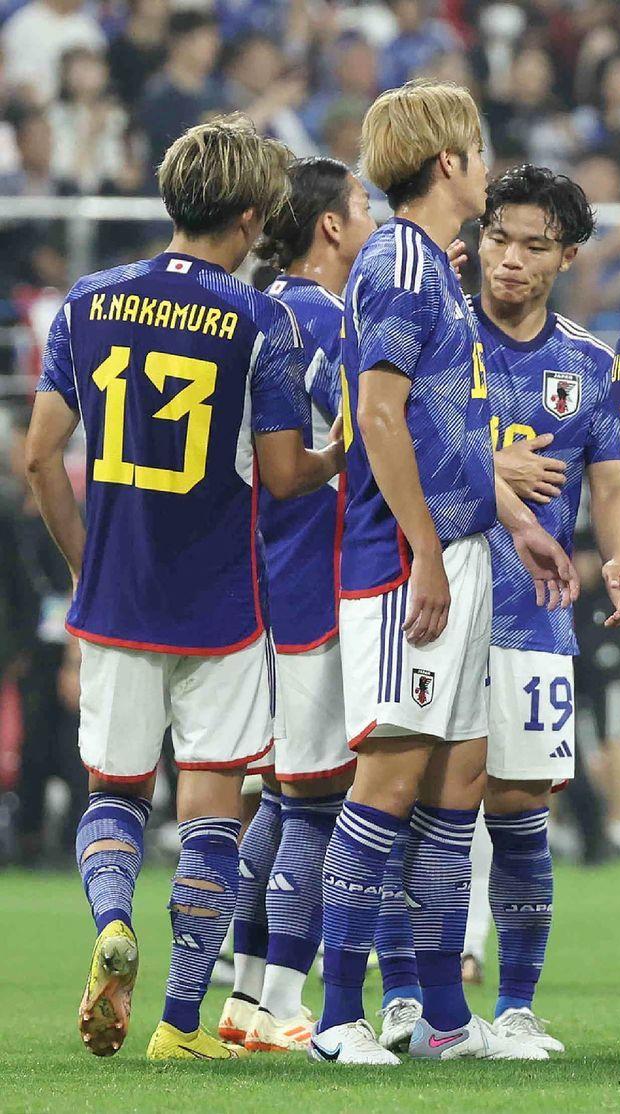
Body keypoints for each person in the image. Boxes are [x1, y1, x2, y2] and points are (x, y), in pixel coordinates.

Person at [24, 114, 344, 1061]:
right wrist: (341, 454)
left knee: (114, 793)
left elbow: (40, 457)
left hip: (118, 597)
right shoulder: (262, 322)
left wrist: (88, 565)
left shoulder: (87, 300)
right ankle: (177, 1024)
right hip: (224, 606)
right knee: (212, 813)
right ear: (250, 216)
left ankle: (113, 923)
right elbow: (283, 476)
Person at [308, 79, 575, 1068]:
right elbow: (376, 418)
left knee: (454, 780)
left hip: (461, 549)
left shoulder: (431, 268)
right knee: (386, 777)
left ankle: (444, 1021)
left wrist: (514, 524)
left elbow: (444, 433)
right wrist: (423, 550)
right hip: (401, 560)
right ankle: (338, 1016)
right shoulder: (396, 264)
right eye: (475, 145)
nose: (485, 159)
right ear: (448, 163)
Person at [213, 157, 379, 1055]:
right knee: (319, 800)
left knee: (280, 796)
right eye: (361, 207)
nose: (368, 219)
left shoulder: (252, 310)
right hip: (320, 580)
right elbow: (362, 437)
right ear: (327, 226)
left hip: (259, 578)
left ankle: (243, 998)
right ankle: (282, 1003)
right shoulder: (322, 319)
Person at [470, 164, 620, 1052]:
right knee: (423, 798)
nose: (511, 260)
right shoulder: (436, 337)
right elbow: (392, 445)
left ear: (567, 256)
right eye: (500, 238)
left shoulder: (587, 362)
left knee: (522, 803)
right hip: (437, 600)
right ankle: (420, 1005)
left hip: (536, 611)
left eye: (535, 246)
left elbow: (608, 481)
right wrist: (491, 467)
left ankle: (518, 1005)